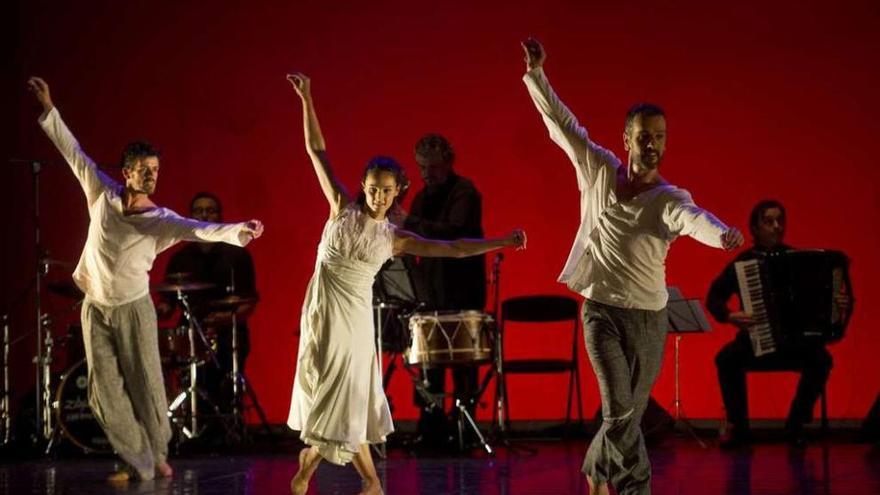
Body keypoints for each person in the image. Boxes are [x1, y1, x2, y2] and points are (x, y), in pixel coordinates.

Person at [520, 39, 743, 495]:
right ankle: (636, 489)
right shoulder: (599, 169)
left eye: (660, 136)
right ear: (627, 139)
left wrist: (721, 235)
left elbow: (692, 219)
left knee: (627, 415)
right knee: (619, 407)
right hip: (600, 313)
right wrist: (538, 76)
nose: (652, 144)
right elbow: (562, 125)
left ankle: (595, 471)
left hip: (648, 320)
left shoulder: (670, 198)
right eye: (644, 135)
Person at [285, 72, 526, 495]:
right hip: (325, 308)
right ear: (364, 186)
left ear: (398, 192)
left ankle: (343, 475)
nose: (379, 197)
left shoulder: (394, 238)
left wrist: (502, 240)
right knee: (333, 385)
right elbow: (316, 150)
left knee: (352, 389)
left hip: (357, 317)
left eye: (387, 191)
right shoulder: (341, 208)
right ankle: (353, 476)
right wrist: (307, 97)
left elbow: (453, 248)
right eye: (374, 189)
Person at [27, 77, 264, 482]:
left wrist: (239, 229)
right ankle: (138, 459)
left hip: (134, 309)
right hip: (96, 306)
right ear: (127, 172)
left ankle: (155, 454)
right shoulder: (101, 192)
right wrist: (50, 108)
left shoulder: (161, 220)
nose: (151, 176)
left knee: (147, 385)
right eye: (143, 170)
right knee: (103, 393)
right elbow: (73, 152)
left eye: (155, 170)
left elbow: (198, 229)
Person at [706, 200, 835, 448]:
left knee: (821, 360)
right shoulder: (743, 262)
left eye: (780, 221)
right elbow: (715, 297)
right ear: (754, 228)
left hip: (795, 343)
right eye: (769, 221)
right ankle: (740, 430)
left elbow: (821, 299)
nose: (776, 227)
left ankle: (796, 424)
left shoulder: (800, 260)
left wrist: (834, 303)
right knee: (726, 359)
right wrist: (731, 316)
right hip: (756, 342)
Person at [404, 133, 486, 447]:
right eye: (422, 167)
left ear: (448, 163)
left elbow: (452, 234)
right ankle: (433, 427)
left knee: (463, 366)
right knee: (429, 364)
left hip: (462, 291)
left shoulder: (465, 193)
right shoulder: (422, 198)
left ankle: (465, 430)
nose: (426, 174)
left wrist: (409, 223)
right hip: (431, 293)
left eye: (433, 167)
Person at [159, 192, 258, 426]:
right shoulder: (179, 258)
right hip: (190, 334)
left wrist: (225, 317)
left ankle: (226, 426)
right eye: (199, 211)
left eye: (210, 210)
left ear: (220, 215)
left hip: (228, 333)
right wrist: (159, 310)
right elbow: (168, 301)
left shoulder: (237, 254)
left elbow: (249, 300)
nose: (204, 214)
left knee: (222, 379)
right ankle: (186, 423)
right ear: (191, 216)